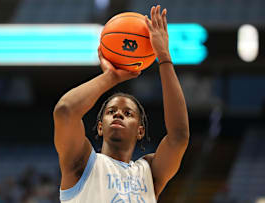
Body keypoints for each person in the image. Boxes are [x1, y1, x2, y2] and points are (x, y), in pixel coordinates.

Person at [53, 5, 189, 202]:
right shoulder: (82, 163)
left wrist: (165, 58)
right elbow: (65, 111)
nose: (118, 114)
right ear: (100, 127)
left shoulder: (149, 173)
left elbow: (179, 137)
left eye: (128, 113)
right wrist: (110, 78)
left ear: (140, 131)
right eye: (111, 111)